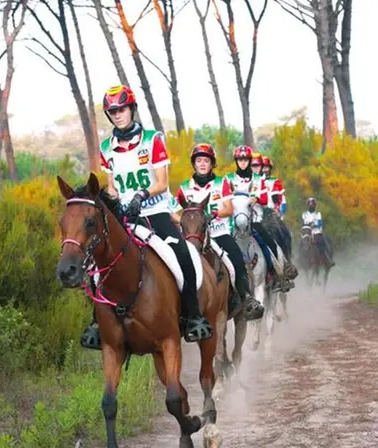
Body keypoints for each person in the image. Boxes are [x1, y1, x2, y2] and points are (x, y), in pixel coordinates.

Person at [78, 84, 214, 351]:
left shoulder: (153, 139)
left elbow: (162, 182)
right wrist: (114, 202)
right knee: (99, 260)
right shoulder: (107, 148)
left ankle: (193, 316)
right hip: (125, 216)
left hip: (155, 211)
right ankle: (97, 321)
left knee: (183, 254)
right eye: (112, 111)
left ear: (132, 109)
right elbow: (112, 185)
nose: (117, 115)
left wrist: (141, 195)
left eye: (122, 109)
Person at [173, 143, 265, 321]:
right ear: (194, 163)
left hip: (219, 233)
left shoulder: (221, 182)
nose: (202, 164)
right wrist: (186, 223)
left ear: (211, 163)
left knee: (237, 261)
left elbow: (229, 209)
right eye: (198, 160)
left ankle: (246, 298)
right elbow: (174, 212)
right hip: (193, 237)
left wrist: (211, 215)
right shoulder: (184, 187)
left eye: (206, 161)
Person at [226, 146, 297, 291]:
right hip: (233, 222)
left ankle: (277, 273)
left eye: (246, 159)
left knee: (269, 241)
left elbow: (265, 199)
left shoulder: (258, 180)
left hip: (255, 220)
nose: (243, 163)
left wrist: (256, 198)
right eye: (240, 159)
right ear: (236, 161)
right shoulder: (228, 179)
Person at [301, 197, 335, 267]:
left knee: (323, 243)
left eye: (312, 204)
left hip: (317, 232)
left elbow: (320, 223)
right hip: (307, 233)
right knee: (301, 244)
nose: (311, 206)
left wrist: (314, 224)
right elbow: (303, 223)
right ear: (307, 205)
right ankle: (299, 260)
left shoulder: (318, 214)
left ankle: (328, 259)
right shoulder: (304, 214)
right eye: (309, 204)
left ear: (314, 205)